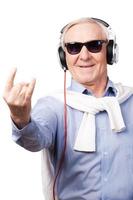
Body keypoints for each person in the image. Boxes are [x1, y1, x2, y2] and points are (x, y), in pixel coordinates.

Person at [3, 17, 133, 200]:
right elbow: (34, 140)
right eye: (74, 47)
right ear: (64, 57)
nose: (85, 55)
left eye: (94, 45)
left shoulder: (129, 100)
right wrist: (20, 117)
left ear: (110, 51)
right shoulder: (53, 105)